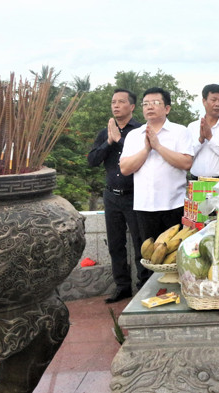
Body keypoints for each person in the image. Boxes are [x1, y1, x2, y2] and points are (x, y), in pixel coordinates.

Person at [88, 88, 145, 303]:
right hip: (111, 196)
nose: (116, 105)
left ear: (131, 106)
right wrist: (109, 141)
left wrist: (120, 139)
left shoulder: (140, 131)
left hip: (135, 195)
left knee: (140, 243)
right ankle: (122, 286)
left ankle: (142, 286)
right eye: (113, 102)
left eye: (121, 102)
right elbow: (92, 160)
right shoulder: (105, 132)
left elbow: (142, 158)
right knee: (115, 244)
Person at [120, 87, 194, 249]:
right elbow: (125, 168)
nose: (149, 107)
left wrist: (158, 147)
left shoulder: (180, 132)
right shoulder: (134, 135)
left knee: (174, 256)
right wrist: (146, 149)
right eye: (145, 104)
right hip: (144, 207)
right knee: (147, 257)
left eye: (155, 103)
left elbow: (186, 163)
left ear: (167, 108)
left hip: (174, 205)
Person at [187, 84, 219, 182]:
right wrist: (201, 140)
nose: (218, 104)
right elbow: (187, 156)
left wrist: (210, 138)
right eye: (213, 100)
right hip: (197, 181)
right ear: (204, 101)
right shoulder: (192, 126)